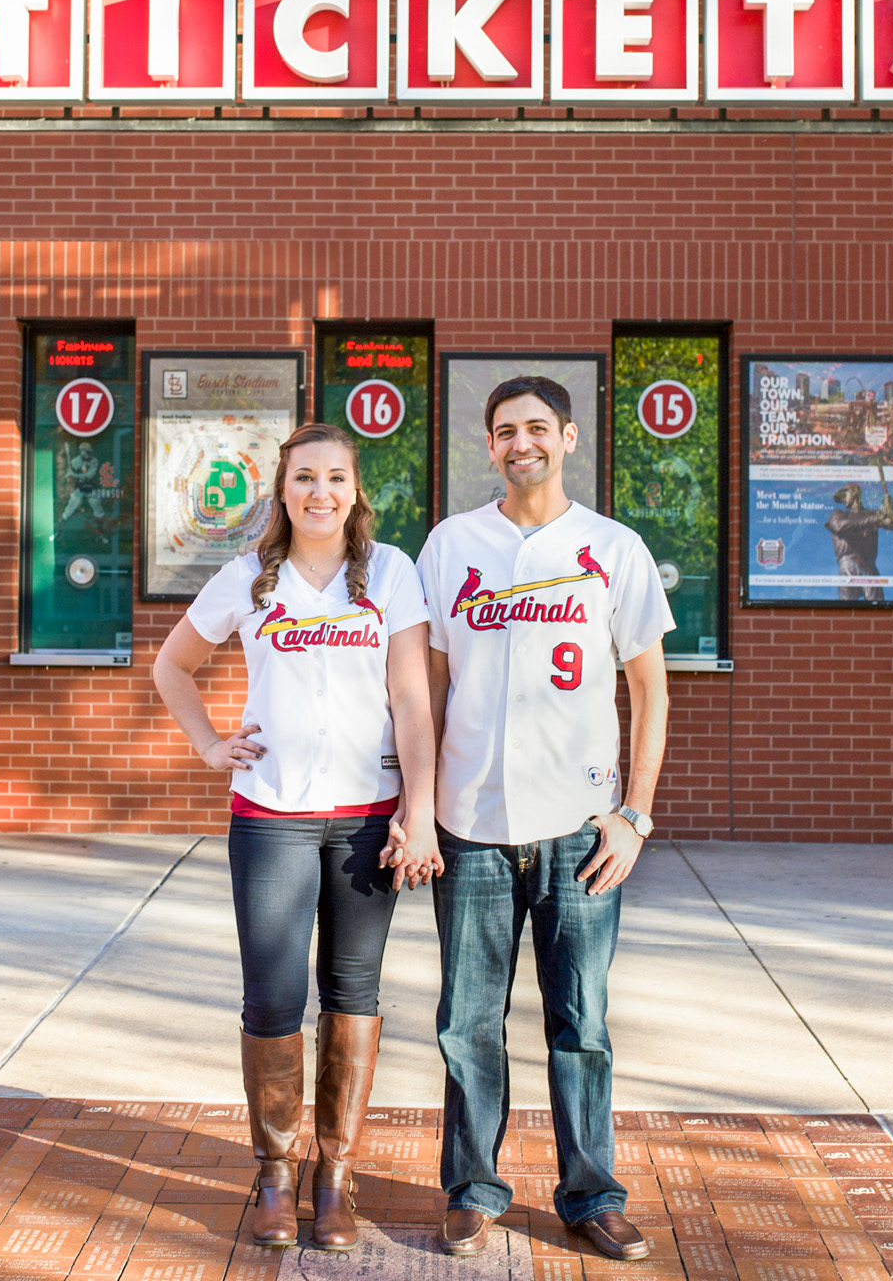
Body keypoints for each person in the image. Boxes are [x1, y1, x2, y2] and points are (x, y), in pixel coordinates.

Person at [152, 422, 442, 1251]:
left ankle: (334, 1178)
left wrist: (419, 811)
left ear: (355, 491)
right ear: (282, 491)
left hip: (366, 818)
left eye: (336, 477)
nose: (321, 491)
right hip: (270, 817)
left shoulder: (391, 572)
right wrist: (210, 744)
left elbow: (412, 700)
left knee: (353, 995)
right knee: (274, 1000)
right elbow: (171, 665)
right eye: (305, 477)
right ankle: (276, 1174)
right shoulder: (248, 577)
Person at [416, 376, 673, 1261]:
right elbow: (430, 689)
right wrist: (420, 808)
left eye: (536, 427)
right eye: (503, 431)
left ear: (568, 437)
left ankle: (591, 1194)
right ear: (489, 445)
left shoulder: (614, 548)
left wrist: (635, 815)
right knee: (467, 1024)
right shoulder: (452, 545)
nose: (519, 442)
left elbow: (650, 689)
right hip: (470, 825)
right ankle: (473, 1189)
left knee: (582, 1024)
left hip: (579, 829)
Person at [826, 482, 893, 602]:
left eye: (844, 494)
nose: (842, 499)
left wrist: (891, 509)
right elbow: (839, 526)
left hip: (868, 565)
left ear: (854, 492)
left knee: (877, 605)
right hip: (847, 566)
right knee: (847, 608)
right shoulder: (838, 514)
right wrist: (877, 518)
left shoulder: (873, 514)